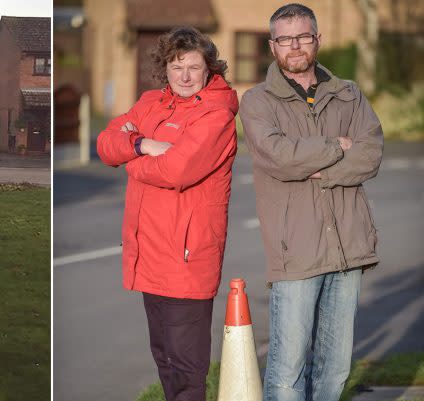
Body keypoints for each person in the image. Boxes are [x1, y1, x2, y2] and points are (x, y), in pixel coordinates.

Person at [239, 4, 383, 401]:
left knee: (334, 370)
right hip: (295, 251)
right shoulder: (256, 102)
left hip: (349, 247)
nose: (295, 46)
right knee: (288, 370)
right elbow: (279, 158)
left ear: (317, 39)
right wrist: (337, 146)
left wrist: (320, 167)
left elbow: (370, 154)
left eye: (303, 36)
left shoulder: (349, 94)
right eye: (285, 39)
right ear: (272, 46)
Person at [96, 27, 238, 401]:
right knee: (165, 361)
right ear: (166, 68)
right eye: (178, 68)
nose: (186, 76)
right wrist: (144, 143)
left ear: (209, 69)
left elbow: (177, 169)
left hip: (187, 260)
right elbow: (106, 144)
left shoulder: (217, 114)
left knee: (187, 370)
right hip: (151, 257)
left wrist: (133, 160)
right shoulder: (151, 103)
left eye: (194, 67)